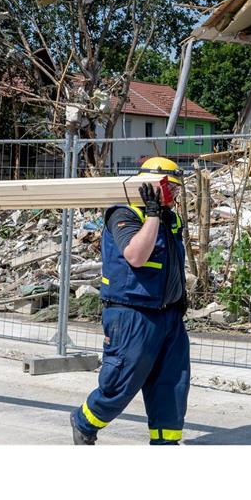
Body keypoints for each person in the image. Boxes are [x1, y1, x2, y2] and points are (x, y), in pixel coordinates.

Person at [70, 157, 190, 445]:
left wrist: (180, 296)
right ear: (151, 187)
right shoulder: (123, 214)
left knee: (172, 384)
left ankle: (165, 443)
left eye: (176, 189)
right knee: (122, 381)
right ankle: (85, 421)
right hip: (132, 315)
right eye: (169, 188)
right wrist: (151, 214)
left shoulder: (170, 218)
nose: (173, 195)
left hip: (168, 316)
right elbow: (136, 255)